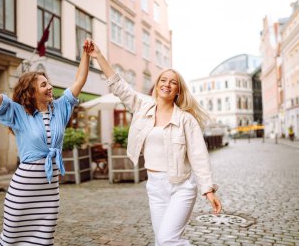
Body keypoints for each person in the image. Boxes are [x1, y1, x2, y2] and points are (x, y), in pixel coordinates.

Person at [84, 39, 221, 245]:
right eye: (163, 80)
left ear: (178, 91)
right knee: (161, 241)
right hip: (155, 186)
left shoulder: (186, 120)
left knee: (167, 240)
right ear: (156, 86)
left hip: (181, 186)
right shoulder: (143, 107)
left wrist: (208, 190)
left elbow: (199, 156)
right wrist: (98, 56)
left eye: (173, 82)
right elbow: (119, 86)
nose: (167, 84)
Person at [0, 34, 90, 245]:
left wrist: (86, 54)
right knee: (11, 239)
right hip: (24, 190)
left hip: (49, 192)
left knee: (43, 240)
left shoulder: (61, 108)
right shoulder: (18, 112)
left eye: (49, 84)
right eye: (43, 85)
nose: (50, 88)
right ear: (31, 92)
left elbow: (79, 81)